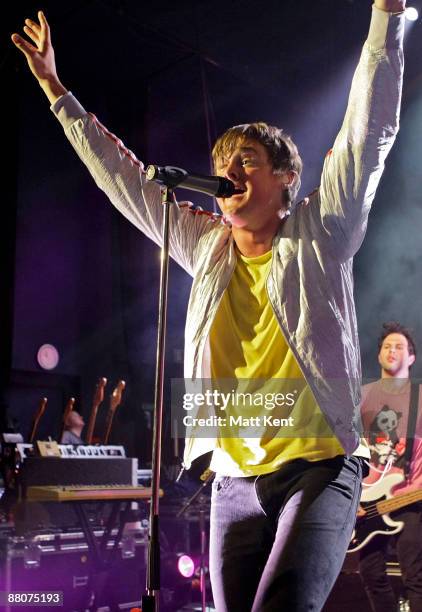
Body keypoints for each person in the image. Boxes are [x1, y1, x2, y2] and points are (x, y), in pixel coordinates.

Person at [12, 3, 405, 610]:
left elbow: (366, 131)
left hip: (319, 470)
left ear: (285, 177)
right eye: (222, 163)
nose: (227, 171)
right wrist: (55, 89)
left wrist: (387, 14)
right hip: (234, 483)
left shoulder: (321, 232)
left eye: (246, 160)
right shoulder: (205, 244)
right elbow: (124, 179)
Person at [359, 322, 422, 612]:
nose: (392, 350)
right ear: (379, 356)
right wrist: (351, 498)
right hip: (368, 501)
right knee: (371, 574)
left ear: (411, 357)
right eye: (387, 346)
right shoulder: (362, 397)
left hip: (411, 498)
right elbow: (349, 451)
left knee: (415, 575)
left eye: (399, 346)